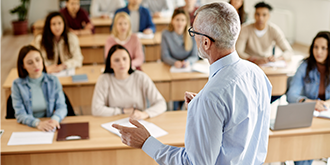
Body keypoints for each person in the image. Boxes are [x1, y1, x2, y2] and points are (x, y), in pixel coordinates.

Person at [113, 2, 272, 164]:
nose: (192, 36)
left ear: (205, 43)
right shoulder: (257, 73)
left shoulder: (211, 97)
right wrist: (207, 111)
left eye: (193, 32)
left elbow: (193, 163)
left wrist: (147, 142)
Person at [287, 31, 330, 165]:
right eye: (315, 47)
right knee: (303, 154)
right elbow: (291, 95)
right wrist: (311, 102)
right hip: (308, 116)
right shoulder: (304, 66)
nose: (319, 52)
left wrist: (326, 104)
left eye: (324, 48)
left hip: (326, 116)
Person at [92, 44, 166, 120]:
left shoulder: (141, 77)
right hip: (113, 121)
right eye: (117, 60)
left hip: (138, 121)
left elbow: (161, 103)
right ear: (110, 64)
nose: (122, 63)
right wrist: (123, 111)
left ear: (130, 60)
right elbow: (96, 109)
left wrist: (145, 114)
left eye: (125, 59)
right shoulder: (104, 79)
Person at [11, 45, 67, 131]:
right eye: (30, 63)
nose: (36, 65)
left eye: (38, 60)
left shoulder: (53, 80)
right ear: (23, 66)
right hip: (29, 126)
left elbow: (62, 106)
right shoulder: (17, 85)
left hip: (50, 125)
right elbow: (20, 114)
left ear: (42, 60)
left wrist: (55, 119)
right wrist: (37, 123)